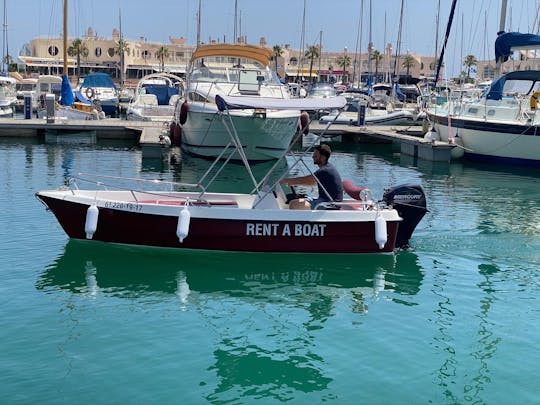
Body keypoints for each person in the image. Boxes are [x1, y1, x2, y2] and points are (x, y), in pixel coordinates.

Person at [280, 144, 343, 210]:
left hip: (329, 204)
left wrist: (287, 181)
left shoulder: (325, 170)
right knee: (293, 201)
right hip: (325, 200)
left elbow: (309, 181)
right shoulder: (327, 168)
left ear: (323, 157)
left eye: (315, 154)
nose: (313, 156)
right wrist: (292, 182)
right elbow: (313, 183)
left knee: (294, 204)